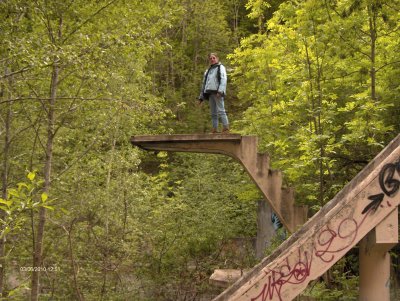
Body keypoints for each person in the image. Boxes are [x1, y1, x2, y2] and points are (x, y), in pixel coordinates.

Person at [198, 53, 229, 133]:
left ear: (217, 58)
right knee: (213, 113)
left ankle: (226, 127)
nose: (212, 59)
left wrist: (220, 91)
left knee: (221, 110)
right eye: (210, 58)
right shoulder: (208, 71)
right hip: (210, 93)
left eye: (213, 58)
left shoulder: (220, 67)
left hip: (218, 92)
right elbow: (204, 84)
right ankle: (214, 129)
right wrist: (201, 97)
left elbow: (223, 79)